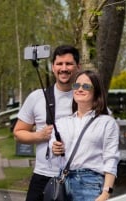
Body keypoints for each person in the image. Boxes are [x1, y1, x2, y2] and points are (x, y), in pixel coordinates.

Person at [13, 45, 81, 201]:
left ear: (78, 67)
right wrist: (40, 136)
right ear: (52, 67)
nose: (64, 68)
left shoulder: (86, 96)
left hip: (78, 176)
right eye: (59, 64)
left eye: (69, 64)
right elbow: (18, 132)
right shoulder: (37, 97)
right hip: (43, 176)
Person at [51, 70, 120, 201]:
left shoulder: (107, 122)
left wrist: (106, 193)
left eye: (86, 86)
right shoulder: (62, 123)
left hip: (90, 184)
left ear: (96, 91)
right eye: (76, 86)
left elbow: (111, 159)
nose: (80, 89)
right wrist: (54, 149)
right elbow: (53, 154)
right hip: (62, 183)